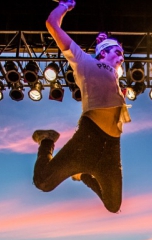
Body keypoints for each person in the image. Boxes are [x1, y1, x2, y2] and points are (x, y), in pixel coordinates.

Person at [31, 0, 130, 213]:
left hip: (112, 146)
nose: (122, 57)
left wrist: (105, 39)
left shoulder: (115, 75)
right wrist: (64, 6)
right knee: (43, 182)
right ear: (102, 53)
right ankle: (47, 140)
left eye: (122, 54)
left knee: (113, 205)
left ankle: (84, 174)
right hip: (89, 138)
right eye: (117, 52)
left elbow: (113, 68)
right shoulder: (85, 62)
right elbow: (52, 24)